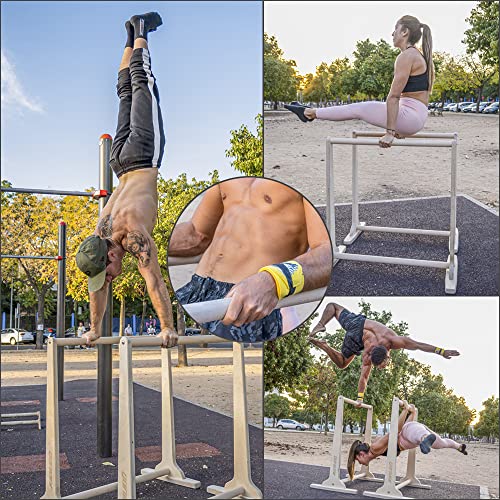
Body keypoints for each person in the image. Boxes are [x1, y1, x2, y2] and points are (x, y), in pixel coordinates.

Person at [75, 12, 177, 348]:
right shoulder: (100, 232)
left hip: (143, 155)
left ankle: (142, 29)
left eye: (109, 271)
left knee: (141, 81)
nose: (111, 279)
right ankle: (129, 34)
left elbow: (155, 283)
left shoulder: (132, 235)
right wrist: (94, 328)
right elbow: (99, 286)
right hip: (118, 162)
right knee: (124, 92)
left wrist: (166, 327)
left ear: (111, 256)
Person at [168, 178, 332, 342]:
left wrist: (274, 281)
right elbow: (196, 235)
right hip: (197, 287)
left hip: (249, 302)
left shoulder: (297, 180)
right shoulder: (228, 177)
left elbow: (326, 253)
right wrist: (148, 242)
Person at [285, 15, 434, 148]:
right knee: (361, 107)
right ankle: (309, 112)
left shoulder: (407, 56)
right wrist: (398, 128)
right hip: (413, 115)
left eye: (396, 28)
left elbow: (393, 96)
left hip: (411, 116)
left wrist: (390, 132)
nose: (392, 33)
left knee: (359, 109)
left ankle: (309, 113)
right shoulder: (415, 55)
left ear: (405, 32)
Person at [308, 303, 459, 404]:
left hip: (357, 324)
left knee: (333, 307)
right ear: (387, 354)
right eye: (383, 365)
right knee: (341, 363)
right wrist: (441, 351)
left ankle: (321, 325)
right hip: (356, 337)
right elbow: (418, 345)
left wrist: (441, 351)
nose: (383, 367)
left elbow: (364, 379)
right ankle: (325, 346)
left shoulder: (376, 351)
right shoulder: (389, 342)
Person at [347, 401, 467, 480]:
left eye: (357, 460)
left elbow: (396, 431)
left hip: (407, 432)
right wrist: (412, 412)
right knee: (441, 444)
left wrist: (405, 410)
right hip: (410, 435)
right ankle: (459, 446)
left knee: (419, 435)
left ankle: (425, 440)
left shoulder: (375, 448)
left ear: (361, 454)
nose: (360, 463)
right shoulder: (375, 451)